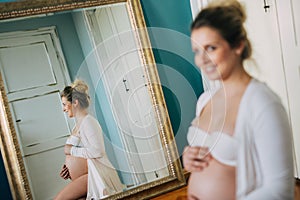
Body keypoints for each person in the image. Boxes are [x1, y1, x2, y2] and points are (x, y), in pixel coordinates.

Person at [182, 0, 294, 199]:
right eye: (197, 51)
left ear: (238, 45)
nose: (202, 60)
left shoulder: (263, 104)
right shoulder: (205, 100)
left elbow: (280, 191)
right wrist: (190, 160)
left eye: (211, 48)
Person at [55, 79, 125, 200]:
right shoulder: (78, 125)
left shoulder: (88, 121)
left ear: (75, 102)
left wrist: (71, 150)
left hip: (94, 175)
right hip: (84, 177)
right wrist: (68, 168)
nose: (64, 109)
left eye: (65, 104)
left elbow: (97, 151)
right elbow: (81, 154)